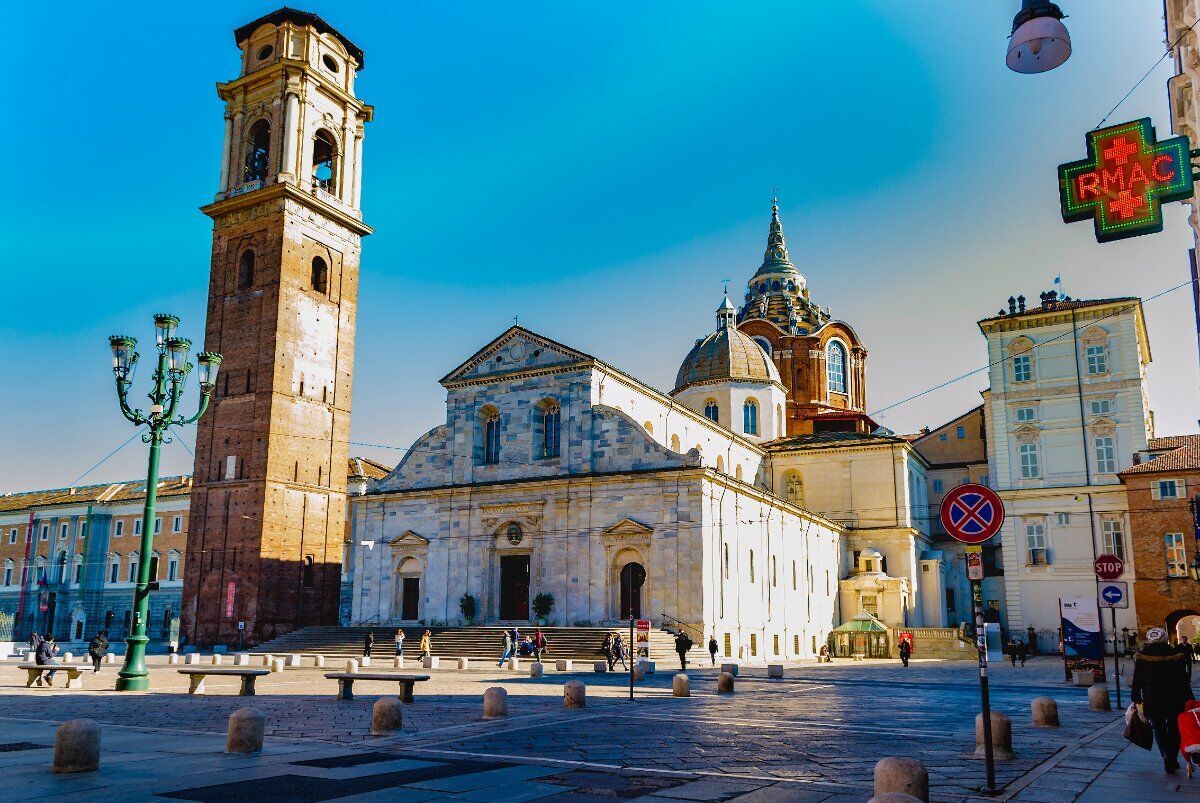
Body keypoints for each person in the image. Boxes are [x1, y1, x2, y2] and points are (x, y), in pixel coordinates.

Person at [1131, 626, 1194, 774]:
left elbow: (1137, 679)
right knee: (1174, 728)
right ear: (1165, 638)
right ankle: (1172, 757)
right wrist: (1190, 698)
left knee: (1158, 727)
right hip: (1175, 697)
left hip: (1152, 698)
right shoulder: (1176, 655)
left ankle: (1165, 755)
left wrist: (1136, 696)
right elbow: (1183, 679)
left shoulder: (1142, 656)